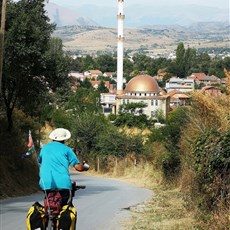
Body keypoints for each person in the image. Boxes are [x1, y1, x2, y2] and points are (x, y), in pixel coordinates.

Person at [38, 128, 89, 205]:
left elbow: (39, 161)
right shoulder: (67, 150)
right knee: (66, 207)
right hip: (63, 184)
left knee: (49, 202)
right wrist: (85, 167)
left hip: (46, 183)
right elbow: (78, 167)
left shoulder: (44, 148)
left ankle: (48, 214)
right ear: (64, 139)